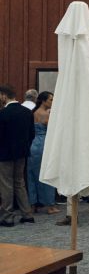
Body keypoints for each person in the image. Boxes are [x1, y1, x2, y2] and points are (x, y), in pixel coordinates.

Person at [0, 84, 35, 226]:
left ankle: (8, 216)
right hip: (22, 153)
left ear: (4, 95)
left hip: (4, 154)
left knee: (6, 184)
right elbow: (31, 134)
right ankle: (27, 214)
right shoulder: (27, 112)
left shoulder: (3, 114)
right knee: (20, 183)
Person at [27, 92, 59, 214]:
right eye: (51, 100)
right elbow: (54, 129)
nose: (52, 102)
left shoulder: (34, 112)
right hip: (44, 144)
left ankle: (33, 204)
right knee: (47, 173)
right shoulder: (45, 114)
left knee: (32, 175)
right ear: (44, 101)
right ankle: (50, 205)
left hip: (33, 144)